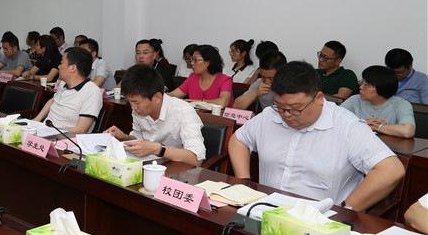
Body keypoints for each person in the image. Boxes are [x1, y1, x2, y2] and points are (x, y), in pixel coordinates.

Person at [228, 61, 405, 210]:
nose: (287, 114)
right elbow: (239, 140)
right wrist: (244, 183)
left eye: (296, 108)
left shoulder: (347, 126)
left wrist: (344, 210)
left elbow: (391, 170)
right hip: (266, 211)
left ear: (319, 98)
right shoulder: (269, 116)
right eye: (280, 106)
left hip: (318, 223)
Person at [104, 65, 205, 166]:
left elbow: (196, 159)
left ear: (157, 97)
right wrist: (124, 137)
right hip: (150, 166)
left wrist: (156, 149)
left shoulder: (183, 111)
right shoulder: (139, 110)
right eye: (130, 101)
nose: (133, 107)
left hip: (176, 168)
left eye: (136, 102)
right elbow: (139, 139)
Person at [34, 47, 102, 133]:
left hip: (64, 137)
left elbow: (81, 129)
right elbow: (53, 100)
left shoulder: (91, 91)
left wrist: (50, 133)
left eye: (62, 63)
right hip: (45, 131)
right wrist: (36, 120)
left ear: (73, 68)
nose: (59, 66)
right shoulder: (63, 84)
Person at [342, 66, 416, 138]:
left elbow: (407, 131)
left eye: (366, 85)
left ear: (382, 87)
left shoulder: (401, 104)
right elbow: (335, 120)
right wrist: (363, 122)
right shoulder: (355, 100)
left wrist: (376, 127)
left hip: (387, 144)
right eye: (362, 83)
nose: (361, 87)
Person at [169, 44, 233, 107]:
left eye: (195, 60)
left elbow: (223, 102)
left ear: (208, 62)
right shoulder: (193, 77)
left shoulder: (225, 80)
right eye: (192, 60)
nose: (192, 63)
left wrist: (199, 102)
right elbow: (173, 94)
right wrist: (163, 95)